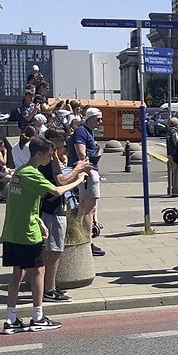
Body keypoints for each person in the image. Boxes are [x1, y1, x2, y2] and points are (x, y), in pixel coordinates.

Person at [0, 137, 90, 334]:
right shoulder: (33, 174)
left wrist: (39, 220)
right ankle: (38, 317)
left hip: (11, 230)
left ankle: (11, 318)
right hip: (26, 233)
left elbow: (21, 202)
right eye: (49, 155)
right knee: (39, 271)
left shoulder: (19, 172)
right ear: (39, 154)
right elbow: (56, 191)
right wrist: (78, 180)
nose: (52, 158)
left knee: (17, 273)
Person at [39, 128, 89, 302]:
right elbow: (60, 181)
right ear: (52, 140)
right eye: (61, 139)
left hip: (50, 207)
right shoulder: (51, 157)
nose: (64, 143)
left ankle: (50, 285)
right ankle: (49, 289)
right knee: (55, 250)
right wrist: (78, 170)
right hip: (53, 208)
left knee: (53, 250)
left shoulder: (50, 157)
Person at [69, 108, 105, 257]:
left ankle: (82, 238)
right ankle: (87, 242)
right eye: (98, 119)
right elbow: (81, 154)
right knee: (88, 209)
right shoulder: (82, 132)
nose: (100, 122)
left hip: (87, 172)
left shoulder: (85, 131)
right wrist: (90, 173)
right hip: (87, 173)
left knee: (84, 207)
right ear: (89, 118)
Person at [165, 116, 178, 197]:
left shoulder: (168, 131)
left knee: (172, 172)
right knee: (176, 172)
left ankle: (171, 188)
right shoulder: (174, 132)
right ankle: (175, 190)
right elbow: (176, 142)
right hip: (174, 154)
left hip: (169, 153)